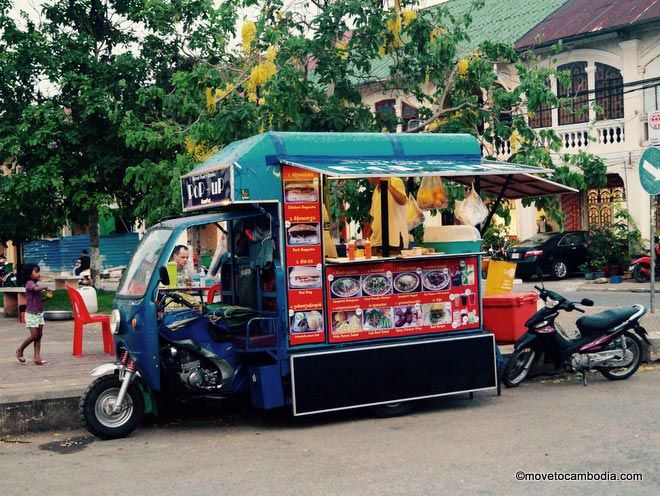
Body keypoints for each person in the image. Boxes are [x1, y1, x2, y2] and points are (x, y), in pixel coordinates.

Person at [15, 264, 50, 365]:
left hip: (39, 314)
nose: (39, 274)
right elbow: (35, 289)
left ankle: (37, 358)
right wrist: (45, 287)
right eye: (36, 272)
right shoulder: (29, 283)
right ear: (29, 274)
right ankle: (20, 350)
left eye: (39, 271)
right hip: (31, 314)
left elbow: (37, 299)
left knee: (39, 336)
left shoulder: (36, 285)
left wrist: (45, 298)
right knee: (34, 335)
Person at [368, 177, 408, 256]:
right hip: (376, 241)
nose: (368, 178)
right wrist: (369, 234)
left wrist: (388, 185)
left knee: (391, 265)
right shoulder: (376, 190)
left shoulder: (396, 181)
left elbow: (403, 200)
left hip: (393, 240)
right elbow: (374, 215)